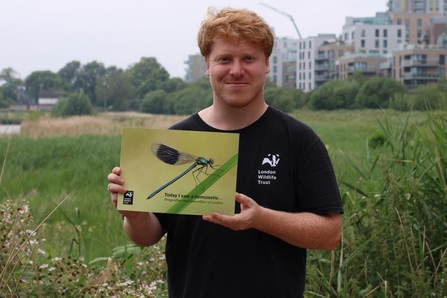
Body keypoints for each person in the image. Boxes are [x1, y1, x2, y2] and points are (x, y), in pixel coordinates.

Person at [107, 7, 343, 298]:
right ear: (207, 64)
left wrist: (260, 219)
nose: (236, 70)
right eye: (224, 59)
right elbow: (147, 236)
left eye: (248, 58)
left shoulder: (299, 140)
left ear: (267, 63)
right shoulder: (178, 138)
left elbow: (330, 235)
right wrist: (135, 214)